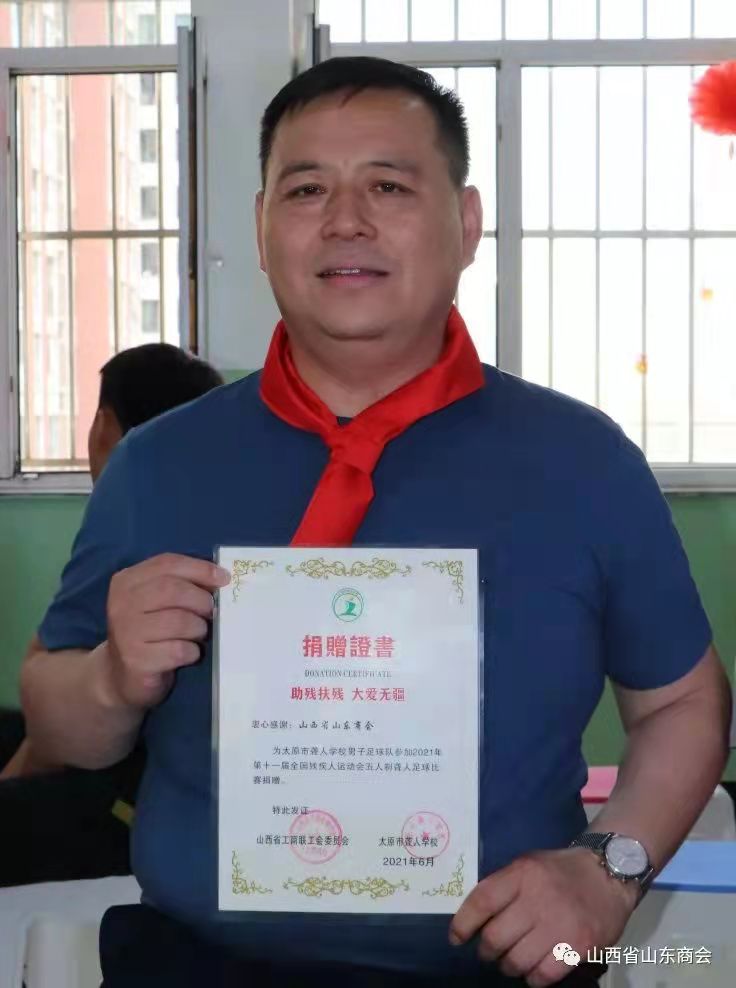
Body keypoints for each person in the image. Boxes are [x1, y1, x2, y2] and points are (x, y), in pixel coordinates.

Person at [19, 57, 730, 987]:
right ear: (262, 227)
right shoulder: (158, 464)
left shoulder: (582, 462)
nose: (345, 219)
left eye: (388, 186)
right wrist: (113, 678)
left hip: (500, 969)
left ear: (465, 224)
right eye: (306, 189)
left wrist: (608, 871)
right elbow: (56, 717)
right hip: (198, 964)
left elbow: (682, 704)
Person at [0, 343, 223, 886]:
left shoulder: (132, 488)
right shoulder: (218, 483)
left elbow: (52, 735)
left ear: (104, 423)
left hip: (130, 791)